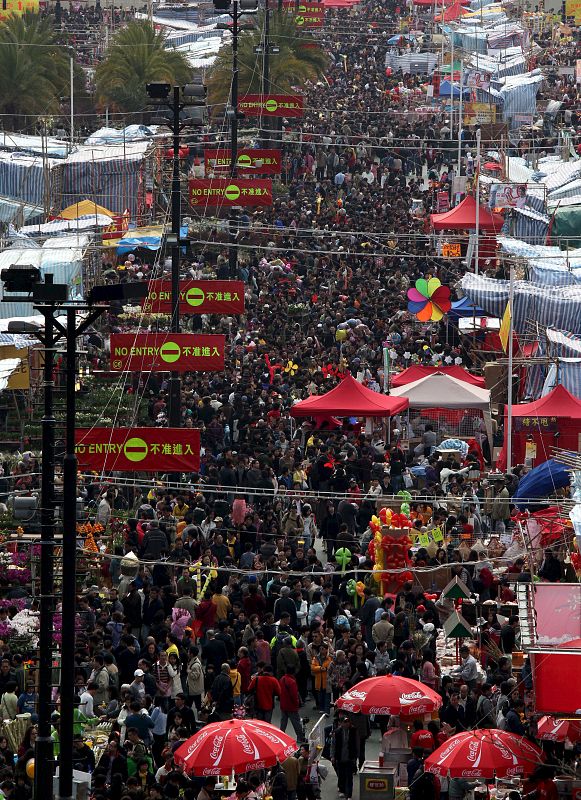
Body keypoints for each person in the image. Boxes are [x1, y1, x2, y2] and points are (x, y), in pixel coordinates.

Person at [331, 717, 358, 800]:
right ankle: (342, 790)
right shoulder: (337, 732)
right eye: (345, 722)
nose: (346, 723)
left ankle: (349, 794)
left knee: (349, 776)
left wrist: (356, 755)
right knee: (341, 775)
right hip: (340, 757)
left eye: (348, 722)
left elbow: (357, 743)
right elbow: (333, 745)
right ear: (341, 723)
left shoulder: (353, 731)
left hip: (350, 757)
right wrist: (332, 756)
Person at [279, 667, 305, 741]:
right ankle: (300, 737)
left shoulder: (282, 679)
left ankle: (280, 736)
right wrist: (297, 704)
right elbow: (294, 695)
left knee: (283, 722)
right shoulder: (292, 681)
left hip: (283, 704)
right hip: (291, 705)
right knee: (296, 722)